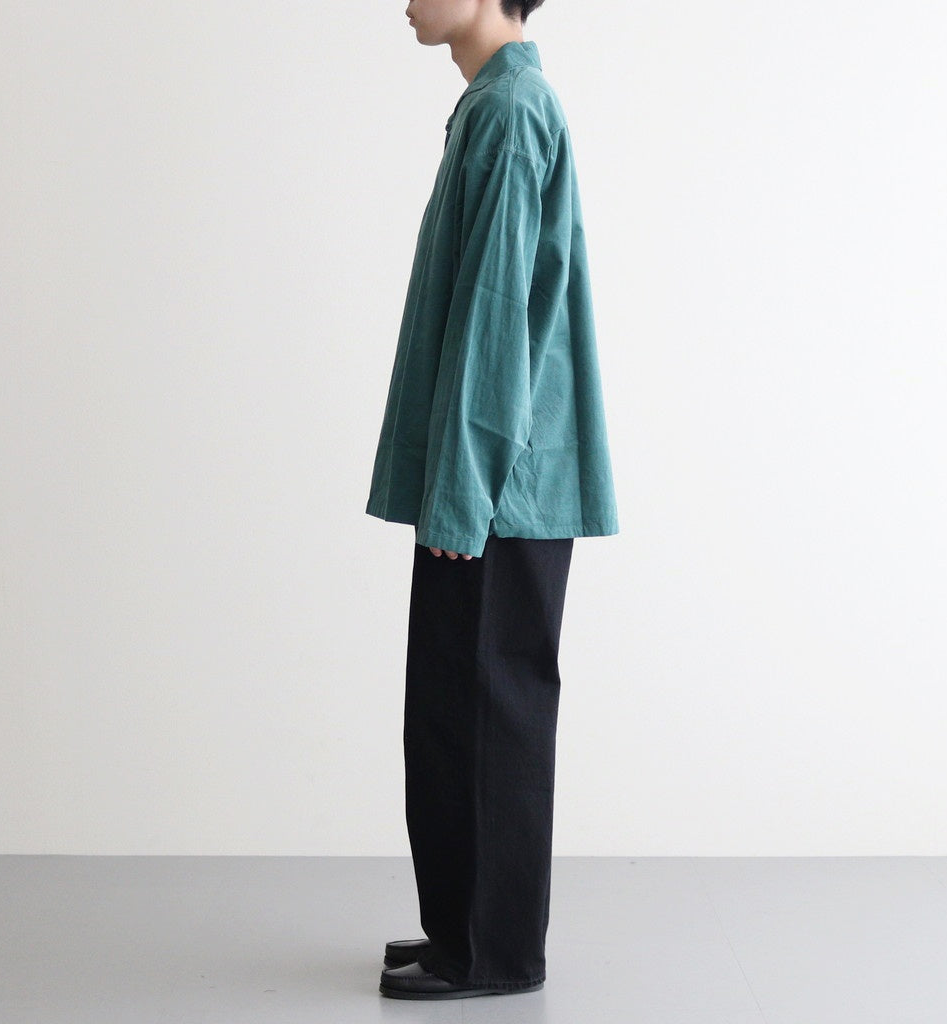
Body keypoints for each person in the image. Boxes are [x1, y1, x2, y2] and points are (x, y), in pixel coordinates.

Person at [366, 0, 618, 1001]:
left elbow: (498, 314)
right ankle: (459, 930)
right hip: (485, 483)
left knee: (489, 717)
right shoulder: (494, 104)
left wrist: (463, 493)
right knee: (449, 712)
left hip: (502, 489)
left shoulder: (513, 110)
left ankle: (493, 952)